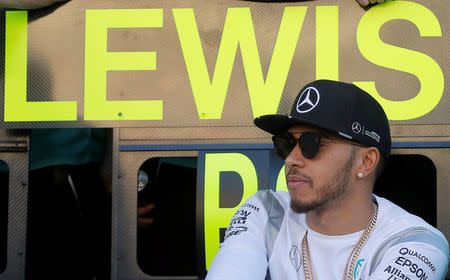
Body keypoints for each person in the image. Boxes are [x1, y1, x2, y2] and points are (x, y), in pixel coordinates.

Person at [206, 80, 449, 279]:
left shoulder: (417, 242)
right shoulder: (266, 211)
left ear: (365, 162)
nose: (291, 158)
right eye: (286, 144)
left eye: (312, 144)